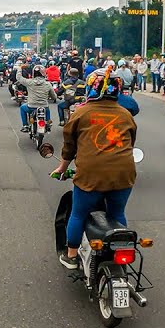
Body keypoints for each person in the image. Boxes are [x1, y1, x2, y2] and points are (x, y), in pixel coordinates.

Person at [50, 68, 138, 270]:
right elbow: (130, 143)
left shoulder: (81, 112)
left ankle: (71, 255)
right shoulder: (125, 114)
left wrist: (62, 168)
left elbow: (69, 147)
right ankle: (118, 249)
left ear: (91, 87)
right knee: (118, 212)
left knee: (78, 214)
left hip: (90, 174)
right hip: (124, 173)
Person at [18, 68, 55, 132]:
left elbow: (19, 78)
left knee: (22, 108)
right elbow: (54, 97)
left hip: (31, 106)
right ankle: (48, 123)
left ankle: (25, 126)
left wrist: (20, 69)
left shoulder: (29, 82)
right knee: (47, 108)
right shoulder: (48, 84)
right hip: (44, 107)